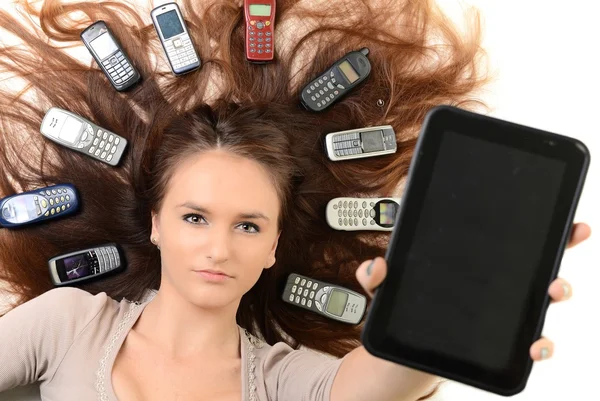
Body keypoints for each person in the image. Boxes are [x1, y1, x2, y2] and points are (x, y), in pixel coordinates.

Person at [0, 0, 591, 400]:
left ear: (274, 244)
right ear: (155, 223)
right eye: (195, 217)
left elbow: (382, 384)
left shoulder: (280, 381)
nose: (218, 247)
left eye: (249, 227)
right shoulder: (68, 324)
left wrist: (479, 292)